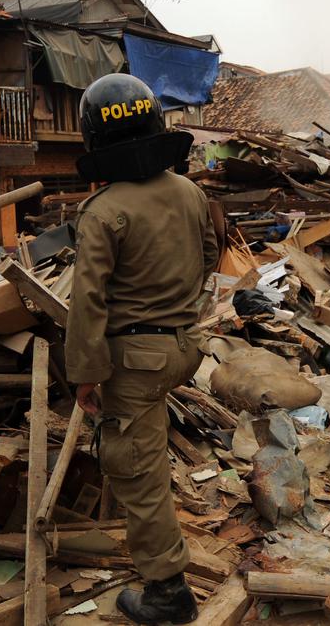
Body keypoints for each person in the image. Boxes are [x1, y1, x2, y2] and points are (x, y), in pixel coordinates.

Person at [65, 73, 217, 624]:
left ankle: (167, 593)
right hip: (183, 349)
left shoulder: (104, 211)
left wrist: (83, 374)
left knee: (139, 475)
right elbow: (208, 257)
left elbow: (88, 302)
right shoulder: (191, 192)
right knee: (147, 460)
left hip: (133, 362)